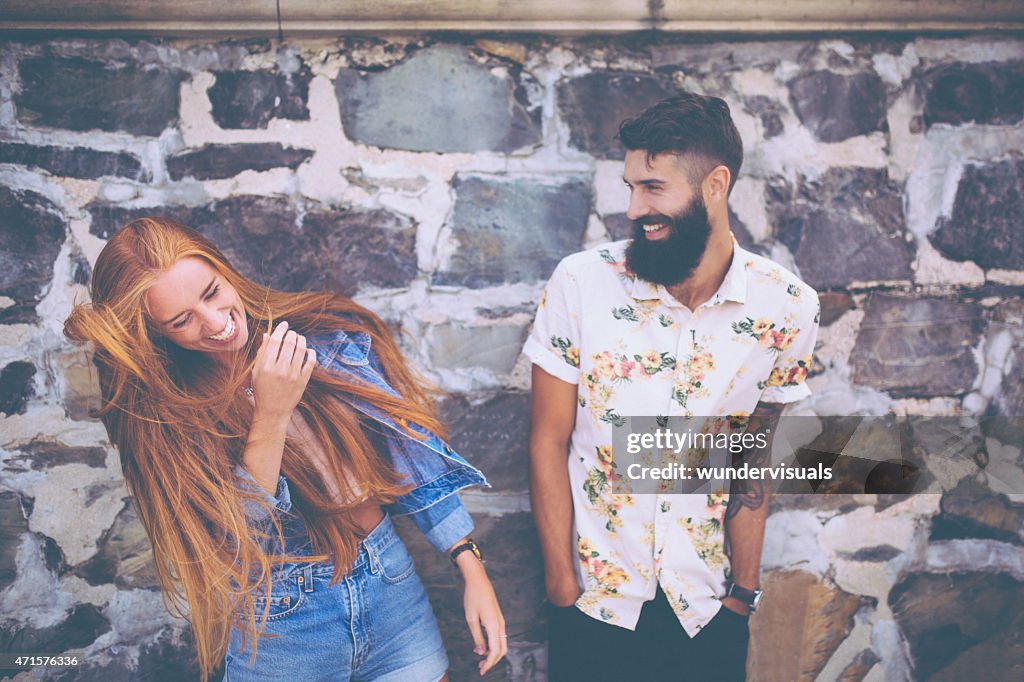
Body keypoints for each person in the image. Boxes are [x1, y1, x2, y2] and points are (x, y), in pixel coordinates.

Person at [64, 218, 506, 681]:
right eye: (181, 320)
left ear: (225, 271)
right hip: (283, 626)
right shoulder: (166, 417)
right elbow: (244, 534)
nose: (215, 323)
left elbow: (408, 455)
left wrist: (469, 564)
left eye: (212, 293)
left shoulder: (320, 339)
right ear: (155, 334)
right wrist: (271, 414)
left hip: (392, 593)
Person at [524, 94, 820, 680]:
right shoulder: (581, 284)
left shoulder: (787, 306)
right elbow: (546, 441)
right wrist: (562, 588)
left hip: (707, 611)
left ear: (715, 184)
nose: (634, 207)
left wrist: (743, 594)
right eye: (630, 186)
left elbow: (751, 461)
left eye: (653, 188)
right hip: (595, 606)